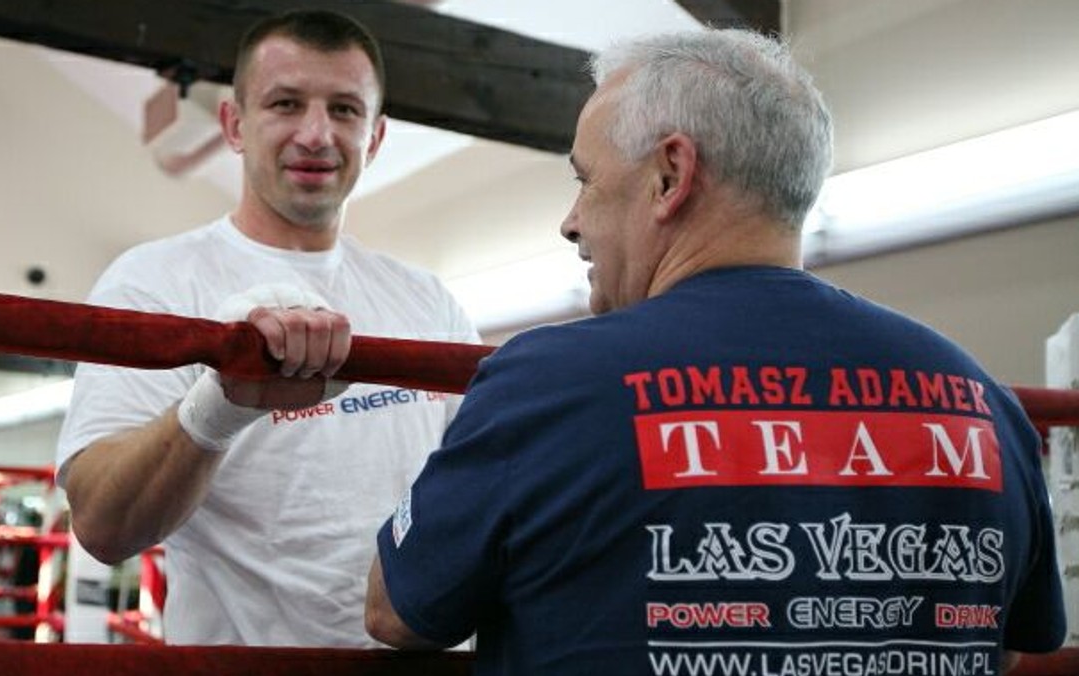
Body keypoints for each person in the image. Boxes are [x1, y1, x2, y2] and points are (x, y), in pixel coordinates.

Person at [365, 29, 1066, 674]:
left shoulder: (546, 383)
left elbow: (399, 613)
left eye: (586, 180)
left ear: (670, 175)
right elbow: (1002, 650)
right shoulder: (981, 401)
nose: (571, 221)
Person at [56, 9, 477, 646]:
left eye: (344, 110)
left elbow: (481, 491)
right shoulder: (155, 281)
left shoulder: (429, 302)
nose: (316, 134)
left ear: (377, 136)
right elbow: (102, 525)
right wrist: (220, 404)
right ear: (234, 125)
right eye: (285, 103)